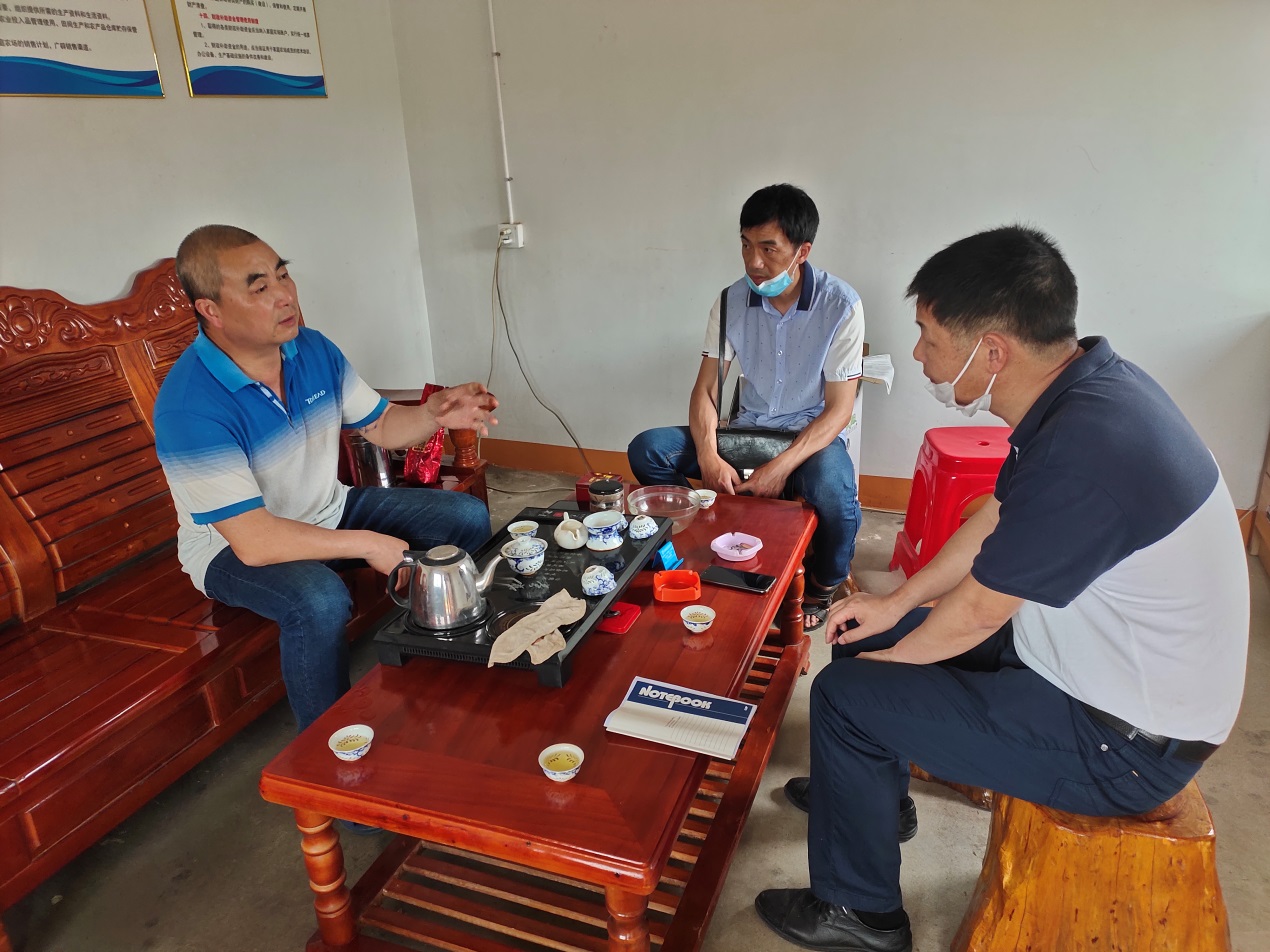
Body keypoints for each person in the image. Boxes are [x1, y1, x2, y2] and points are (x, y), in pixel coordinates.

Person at [756, 225, 1249, 952]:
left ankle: (861, 917)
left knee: (844, 696)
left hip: (1125, 743)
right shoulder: (1086, 393)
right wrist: (894, 604)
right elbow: (994, 517)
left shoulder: (1086, 449)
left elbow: (976, 613)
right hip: (1091, 667)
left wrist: (884, 673)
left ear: (992, 351)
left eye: (928, 337)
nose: (917, 355)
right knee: (864, 633)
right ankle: (872, 797)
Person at [155, 224, 497, 737]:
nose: (285, 295)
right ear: (212, 310)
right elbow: (256, 541)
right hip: (231, 549)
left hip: (327, 508)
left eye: (283, 275)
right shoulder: (191, 406)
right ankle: (329, 750)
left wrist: (434, 413)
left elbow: (382, 425)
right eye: (260, 287)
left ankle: (440, 666)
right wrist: (370, 543)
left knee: (464, 517)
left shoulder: (312, 350)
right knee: (318, 600)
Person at [627, 184, 864, 629]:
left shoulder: (840, 306)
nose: (754, 262)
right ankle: (705, 537)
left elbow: (839, 410)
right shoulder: (730, 301)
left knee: (835, 490)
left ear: (802, 251)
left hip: (807, 438)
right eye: (745, 245)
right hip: (748, 430)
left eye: (769, 249)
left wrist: (780, 468)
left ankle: (822, 585)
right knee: (648, 449)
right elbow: (706, 390)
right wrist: (708, 455)